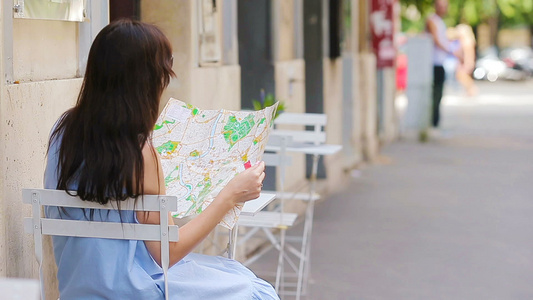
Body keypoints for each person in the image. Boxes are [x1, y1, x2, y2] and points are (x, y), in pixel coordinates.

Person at [44, 19, 279, 300]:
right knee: (254, 290)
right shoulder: (140, 152)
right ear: (148, 83)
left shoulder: (63, 130)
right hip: (134, 289)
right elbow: (169, 253)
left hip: (78, 288)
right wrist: (229, 196)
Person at [426, 0, 461, 128]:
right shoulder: (432, 20)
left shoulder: (441, 22)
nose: (443, 9)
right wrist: (452, 51)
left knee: (439, 94)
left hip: (440, 63)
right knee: (434, 94)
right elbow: (437, 41)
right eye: (441, 6)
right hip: (432, 63)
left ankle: (435, 121)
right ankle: (431, 121)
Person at [455, 24, 478, 96]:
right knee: (462, 76)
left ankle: (472, 90)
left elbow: (468, 54)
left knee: (462, 76)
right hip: (464, 61)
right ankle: (470, 91)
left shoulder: (466, 41)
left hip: (466, 62)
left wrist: (468, 62)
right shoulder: (465, 41)